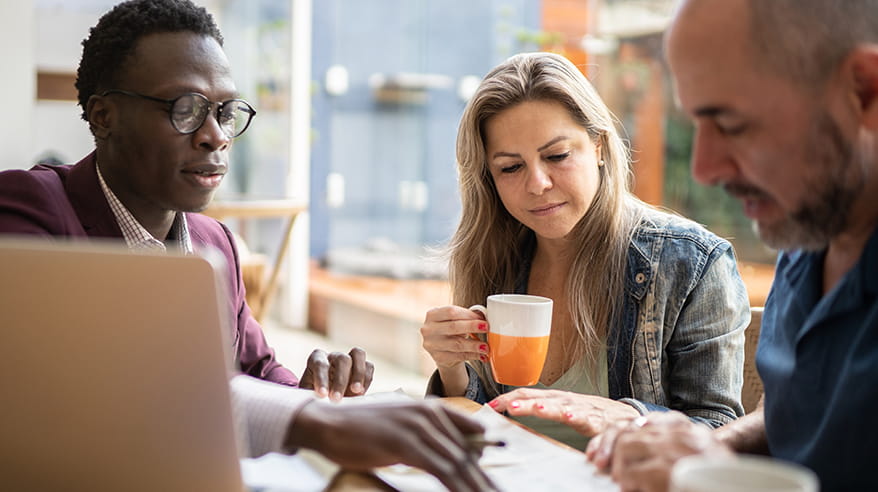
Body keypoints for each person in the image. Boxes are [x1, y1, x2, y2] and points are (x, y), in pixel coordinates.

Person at [0, 2, 494, 491]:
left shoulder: (215, 244)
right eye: (185, 109)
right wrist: (311, 422)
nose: (215, 136)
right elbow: (90, 388)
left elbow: (256, 376)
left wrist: (314, 389)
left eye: (224, 111)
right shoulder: (29, 211)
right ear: (103, 116)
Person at [587, 0, 878, 491]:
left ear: (864, 91)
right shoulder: (807, 230)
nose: (704, 169)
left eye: (733, 125)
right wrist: (716, 449)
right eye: (696, 125)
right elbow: (796, 414)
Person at [420, 51, 751, 450]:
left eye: (557, 156)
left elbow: (719, 429)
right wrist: (451, 369)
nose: (537, 183)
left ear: (598, 145)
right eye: (511, 167)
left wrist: (631, 418)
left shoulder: (690, 262)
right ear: (489, 178)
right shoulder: (495, 254)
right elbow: (489, 417)